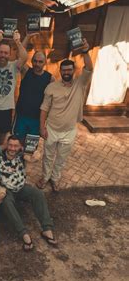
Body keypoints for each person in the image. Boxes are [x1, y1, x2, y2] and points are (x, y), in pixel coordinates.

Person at [38, 39, 93, 192]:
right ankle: (45, 177)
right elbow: (44, 108)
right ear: (60, 72)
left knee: (61, 158)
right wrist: (42, 127)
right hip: (52, 129)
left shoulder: (80, 83)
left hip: (69, 130)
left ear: (73, 70)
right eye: (64, 70)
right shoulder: (52, 87)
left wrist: (85, 51)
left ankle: (55, 179)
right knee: (48, 156)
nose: (67, 72)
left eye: (69, 70)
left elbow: (89, 67)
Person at [0, 135, 57, 251]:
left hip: (21, 187)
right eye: (10, 145)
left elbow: (32, 159)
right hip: (6, 190)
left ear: (20, 147)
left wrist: (36, 156)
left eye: (15, 146)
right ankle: (23, 233)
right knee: (6, 203)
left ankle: (47, 229)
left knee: (38, 194)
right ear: (6, 145)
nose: (12, 148)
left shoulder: (21, 156)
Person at [14, 51, 54, 141]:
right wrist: (25, 38)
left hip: (37, 119)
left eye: (40, 62)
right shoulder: (26, 71)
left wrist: (44, 124)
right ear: (31, 61)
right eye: (35, 61)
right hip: (21, 116)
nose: (37, 64)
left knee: (30, 147)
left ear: (45, 62)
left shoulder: (50, 78)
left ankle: (28, 155)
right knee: (16, 143)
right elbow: (19, 55)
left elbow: (52, 100)